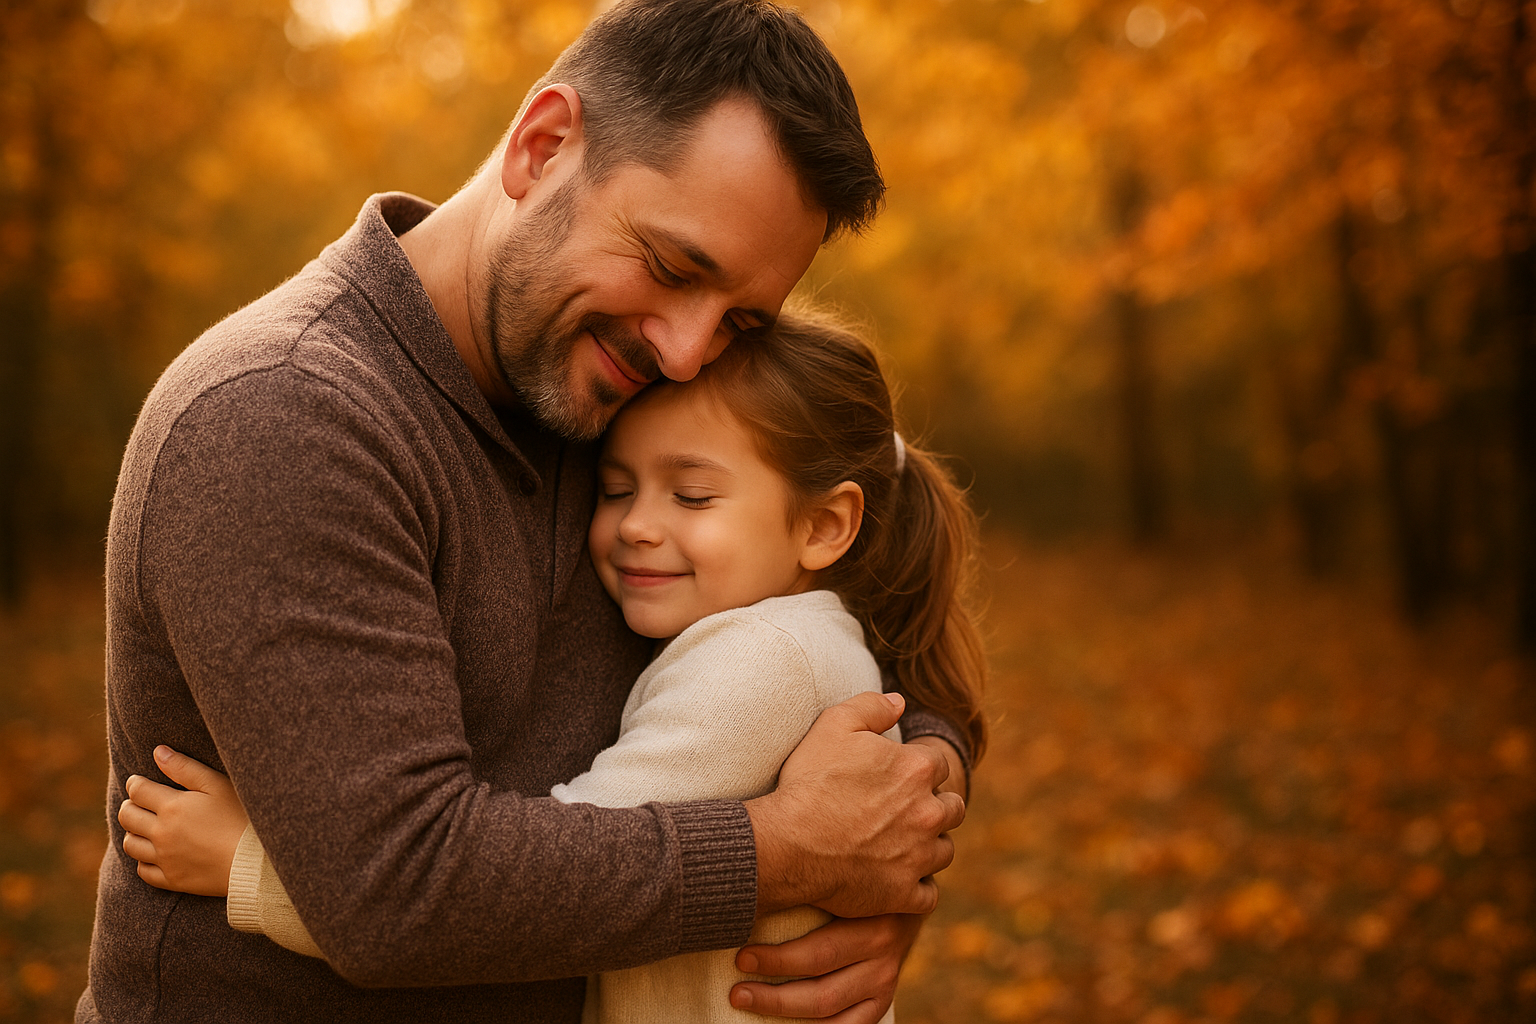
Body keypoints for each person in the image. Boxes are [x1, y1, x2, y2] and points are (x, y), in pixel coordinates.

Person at [81, 2, 972, 1022]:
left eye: (739, 319)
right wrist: (790, 853)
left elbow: (867, 603)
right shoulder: (283, 414)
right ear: (544, 146)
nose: (684, 351)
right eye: (675, 267)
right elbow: (398, 891)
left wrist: (905, 814)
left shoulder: (621, 394)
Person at [116, 309, 990, 1023]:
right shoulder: (805, 628)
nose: (639, 525)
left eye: (691, 495)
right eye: (616, 489)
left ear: (825, 526)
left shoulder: (754, 664)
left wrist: (248, 865)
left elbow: (533, 899)